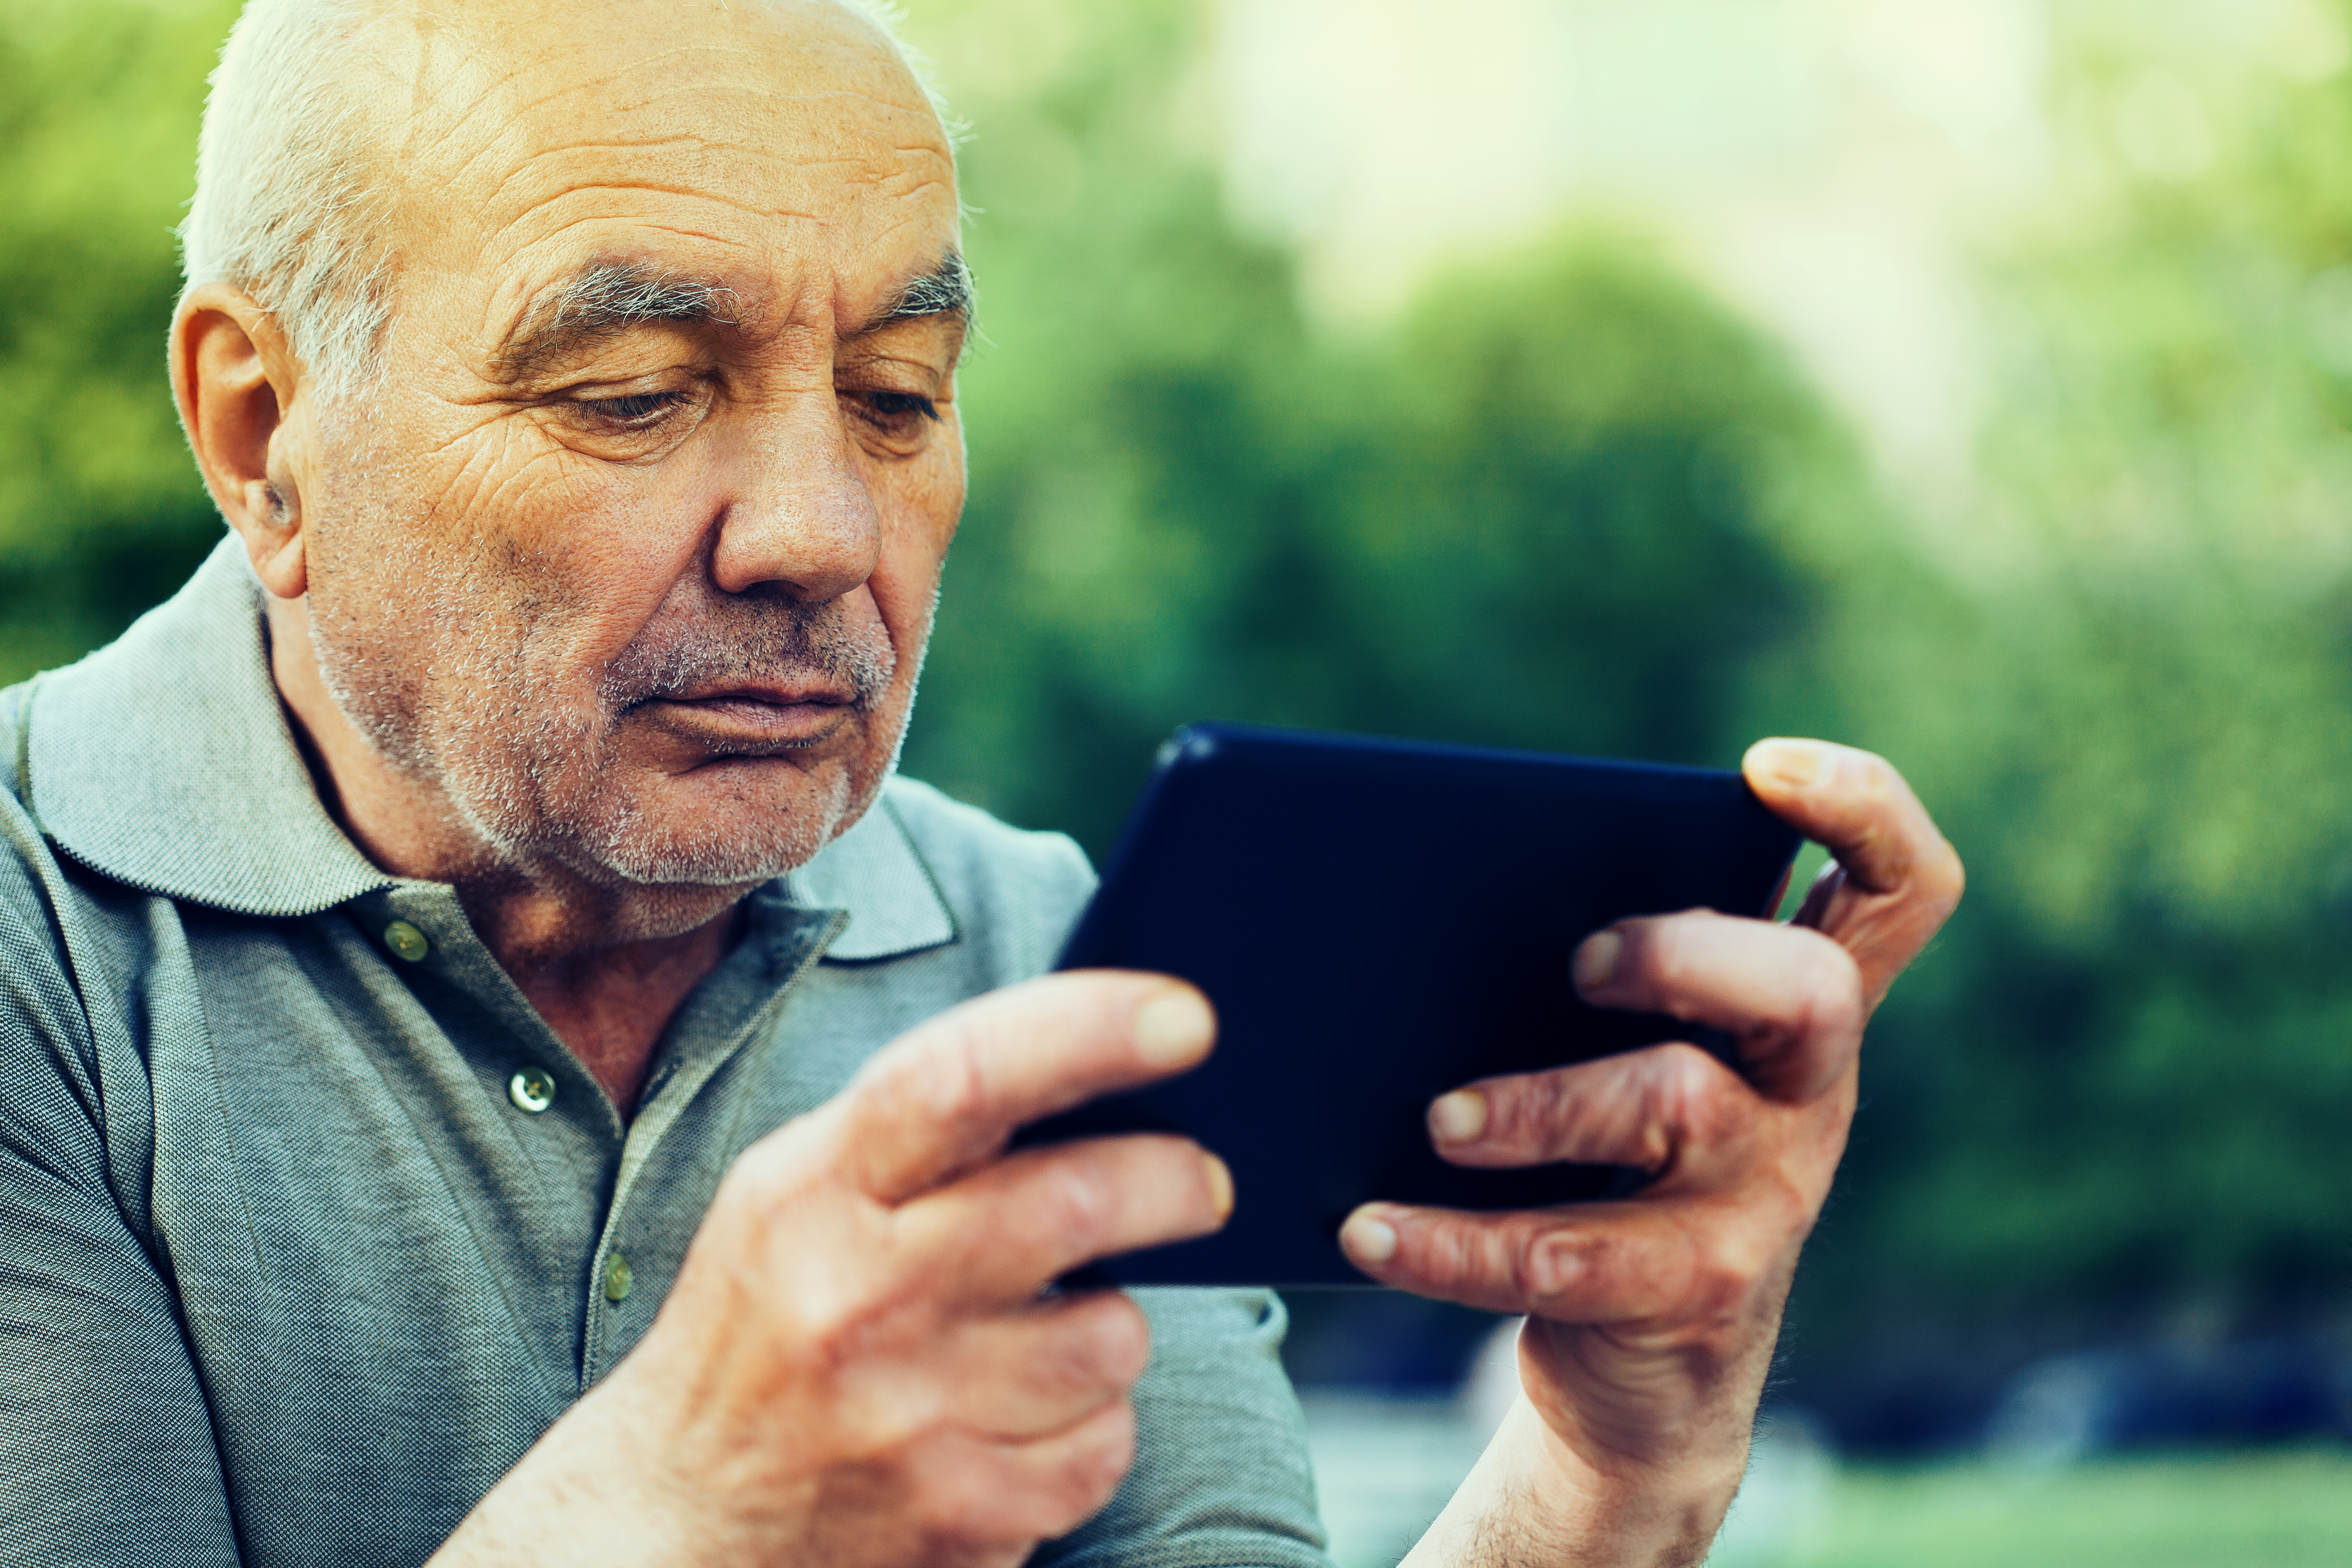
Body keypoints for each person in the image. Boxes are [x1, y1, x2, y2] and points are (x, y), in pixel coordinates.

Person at [0, 0, 1963, 1565]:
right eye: (632, 393)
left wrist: (1607, 1486)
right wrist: (682, 1517)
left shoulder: (1044, 951)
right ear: (264, 435)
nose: (815, 532)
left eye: (895, 398)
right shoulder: (40, 954)